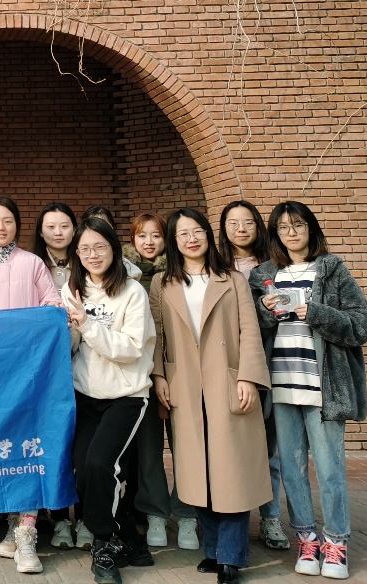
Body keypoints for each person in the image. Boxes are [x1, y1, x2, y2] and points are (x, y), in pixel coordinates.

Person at [251, 203, 367, 581]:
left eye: (298, 225)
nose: (291, 233)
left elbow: (361, 324)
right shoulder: (264, 274)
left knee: (330, 468)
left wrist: (317, 313)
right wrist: (264, 310)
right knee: (291, 469)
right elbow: (249, 330)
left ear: (311, 229)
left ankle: (336, 542)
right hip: (282, 386)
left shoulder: (331, 269)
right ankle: (306, 539)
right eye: (283, 227)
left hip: (323, 387)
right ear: (275, 234)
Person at [150, 209, 270, 584]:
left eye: (197, 231)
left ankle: (231, 557)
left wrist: (248, 377)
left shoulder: (231, 279)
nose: (191, 239)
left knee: (232, 470)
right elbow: (157, 336)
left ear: (207, 234)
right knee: (196, 470)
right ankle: (215, 550)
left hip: (227, 382)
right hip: (183, 384)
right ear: (174, 241)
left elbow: (249, 331)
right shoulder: (161, 283)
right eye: (183, 233)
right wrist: (158, 376)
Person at [0, 197, 62, 574]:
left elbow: (52, 303)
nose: (0, 227)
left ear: (17, 225)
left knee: (28, 446)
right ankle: (11, 523)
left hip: (28, 374)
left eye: (7, 220)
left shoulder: (33, 263)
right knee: (2, 448)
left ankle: (27, 534)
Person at [61, 216, 157, 584]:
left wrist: (86, 324)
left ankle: (103, 544)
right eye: (84, 249)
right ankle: (130, 539)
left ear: (114, 250)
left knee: (102, 464)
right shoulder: (72, 290)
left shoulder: (132, 292)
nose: (92, 255)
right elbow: (72, 348)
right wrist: (66, 328)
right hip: (86, 393)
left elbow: (131, 349)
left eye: (99, 247)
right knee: (83, 469)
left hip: (126, 395)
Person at [121, 212, 198, 550]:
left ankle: (187, 512)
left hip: (182, 370)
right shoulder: (123, 275)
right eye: (142, 236)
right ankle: (154, 511)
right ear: (132, 240)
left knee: (186, 445)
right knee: (149, 449)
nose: (149, 242)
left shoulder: (180, 273)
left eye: (156, 235)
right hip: (142, 372)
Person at [218, 201, 289, 552]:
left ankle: (271, 517)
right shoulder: (215, 266)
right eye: (233, 223)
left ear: (259, 226)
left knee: (269, 446)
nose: (241, 229)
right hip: (225, 365)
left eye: (248, 222)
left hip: (269, 359)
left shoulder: (275, 265)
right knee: (229, 445)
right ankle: (226, 517)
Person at [32, 201, 86, 548]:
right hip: (48, 370)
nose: (57, 232)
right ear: (40, 232)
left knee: (83, 447)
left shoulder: (88, 261)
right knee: (55, 444)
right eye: (50, 226)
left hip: (87, 365)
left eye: (64, 225)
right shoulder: (33, 265)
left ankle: (85, 518)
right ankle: (58, 519)